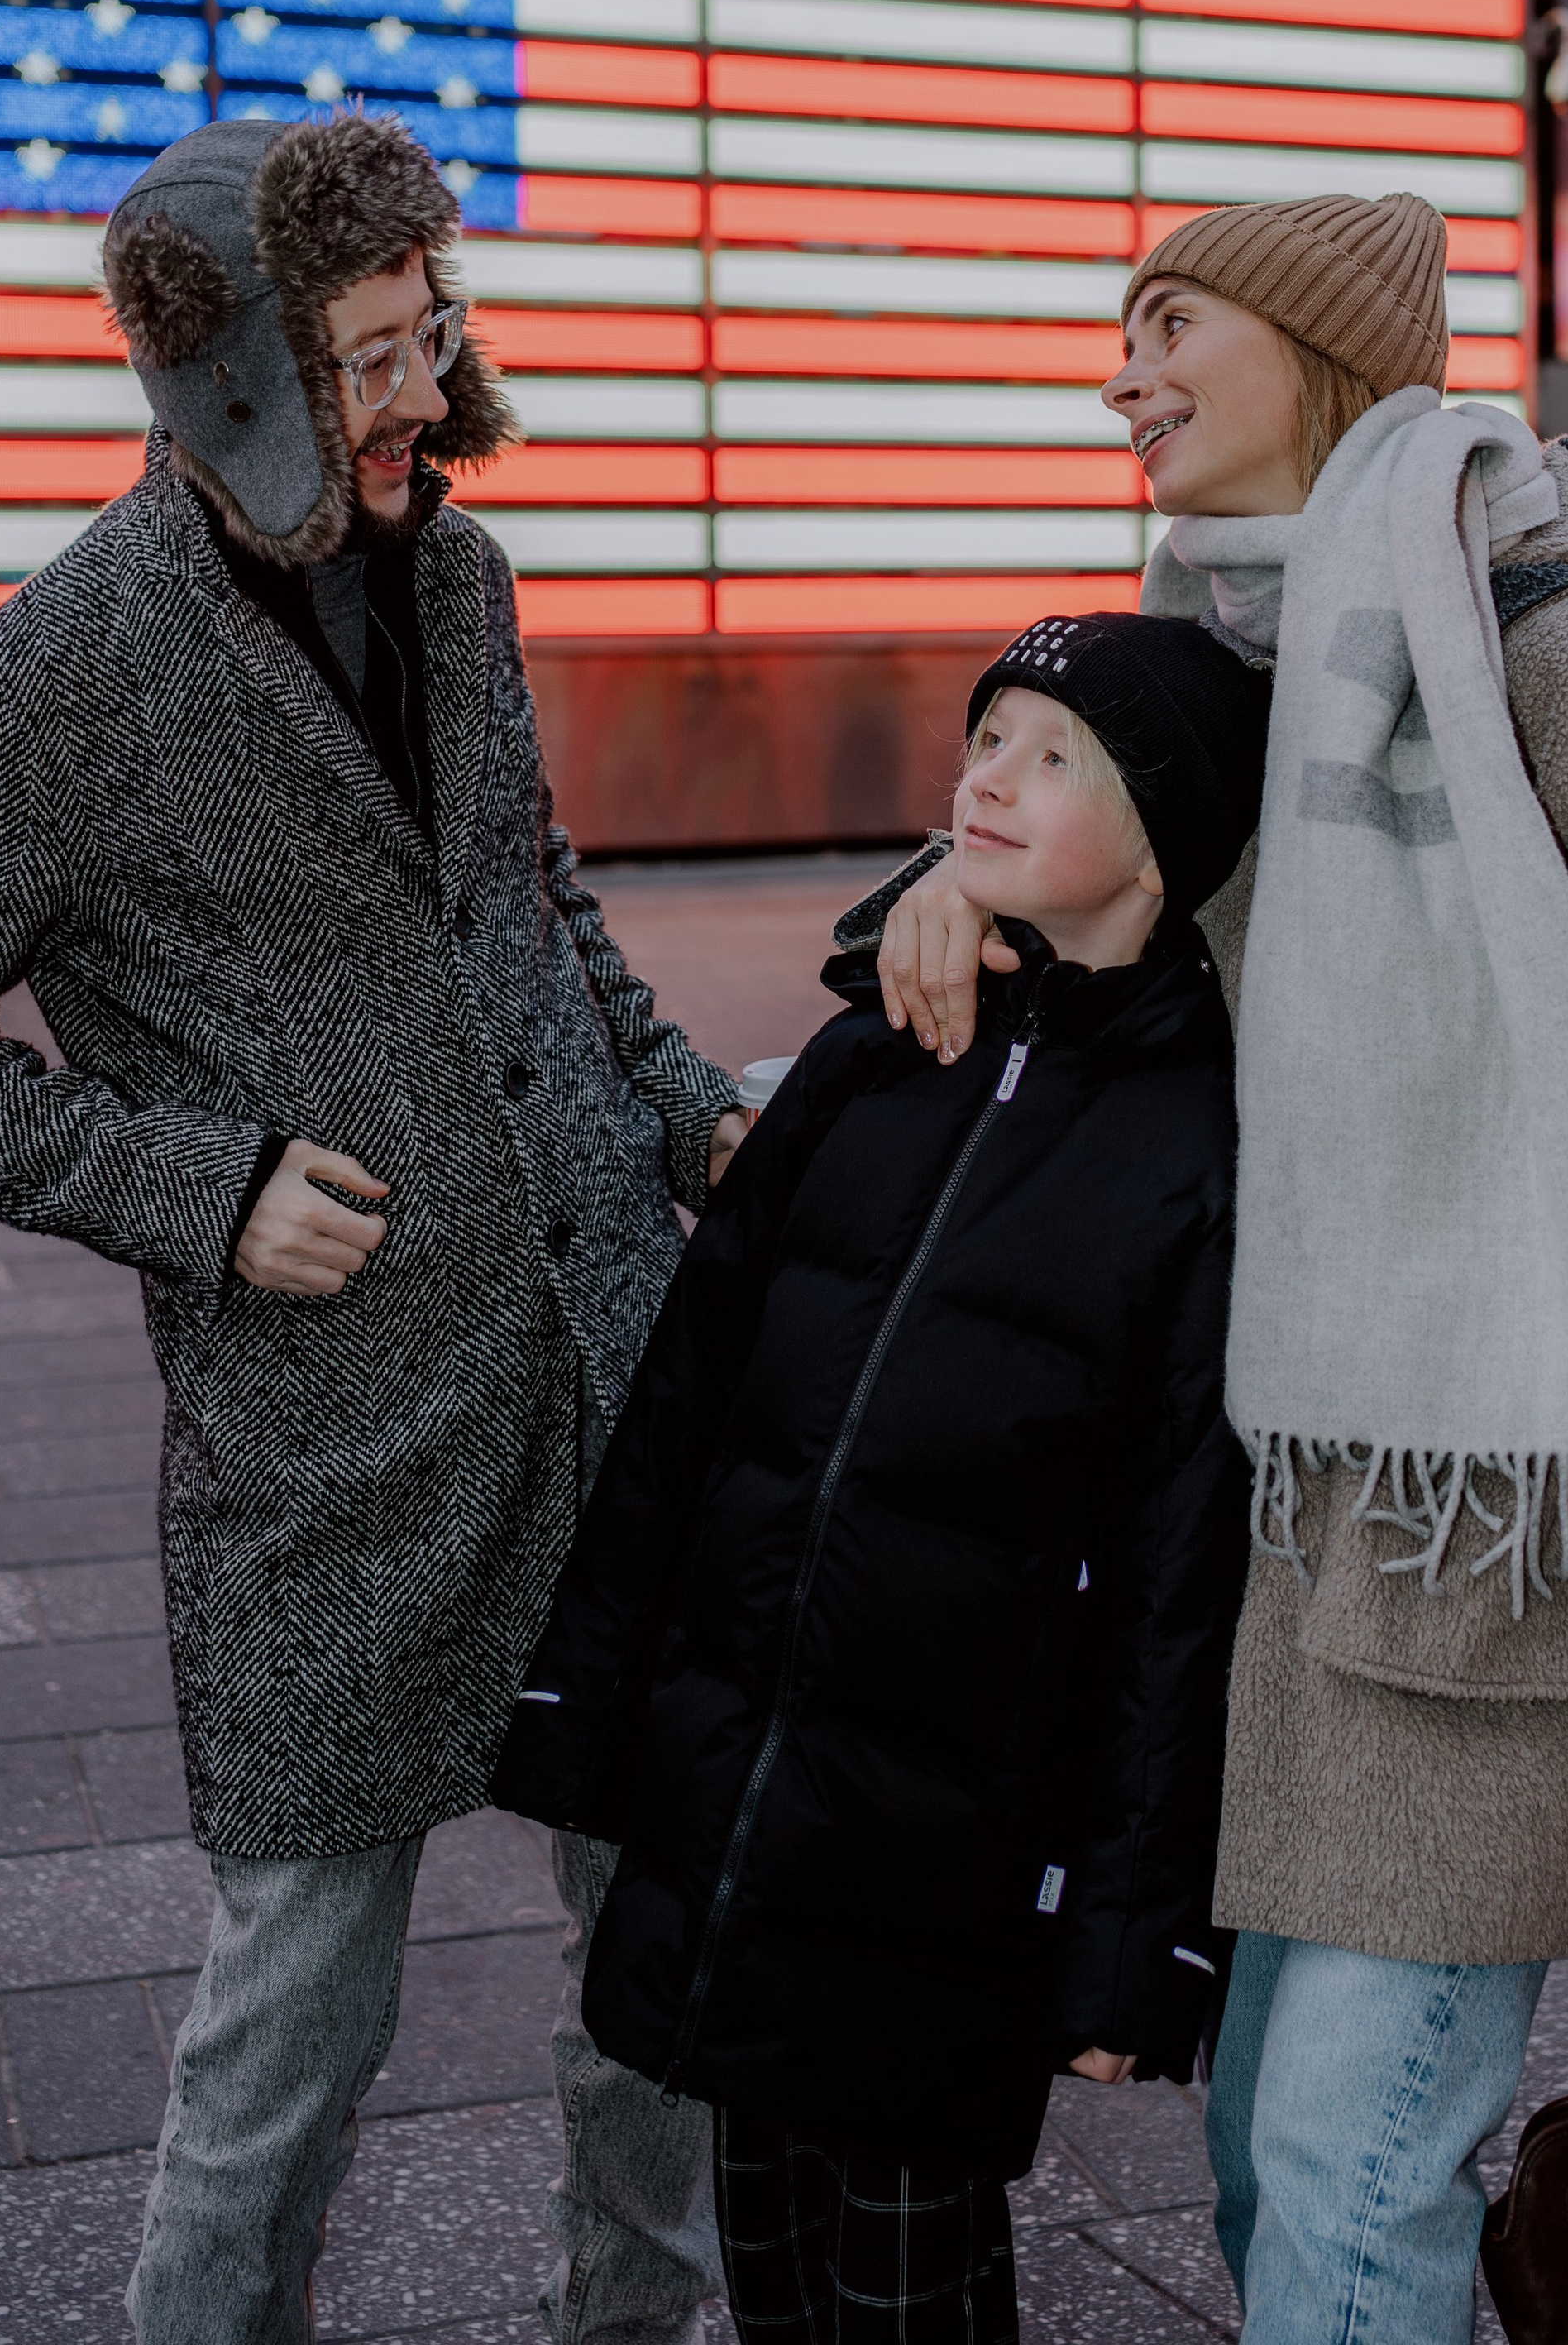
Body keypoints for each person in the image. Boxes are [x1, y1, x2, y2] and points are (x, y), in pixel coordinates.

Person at [860, 190, 1568, 2345]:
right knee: (1276, 2162)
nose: (1117, 375)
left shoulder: (1559, 659)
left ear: (1319, 350)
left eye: (1168, 326)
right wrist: (941, 896)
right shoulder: (1237, 656)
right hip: (1294, 1561)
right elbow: (1110, 857)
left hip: (1533, 1561)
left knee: (1350, 2173)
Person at [0, 112, 748, 2345]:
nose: (430, 389)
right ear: (227, 379)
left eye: (437, 332)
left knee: (664, 1992)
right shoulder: (49, 681)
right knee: (293, 2032)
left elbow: (526, 902)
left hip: (615, 1372)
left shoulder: (461, 579)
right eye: (369, 358)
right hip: (339, 1456)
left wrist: (685, 1102)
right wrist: (195, 1191)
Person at [492, 613, 1272, 2345]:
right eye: (984, 736)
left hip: (950, 1859)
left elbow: (1174, 1576)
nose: (988, 776)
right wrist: (580, 1702)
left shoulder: (1196, 1150)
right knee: (770, 2254)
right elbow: (680, 1414)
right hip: (740, 1792)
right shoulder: (868, 1057)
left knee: (909, 2282)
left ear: (1169, 817)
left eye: (1051, 754)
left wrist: (1134, 1947)